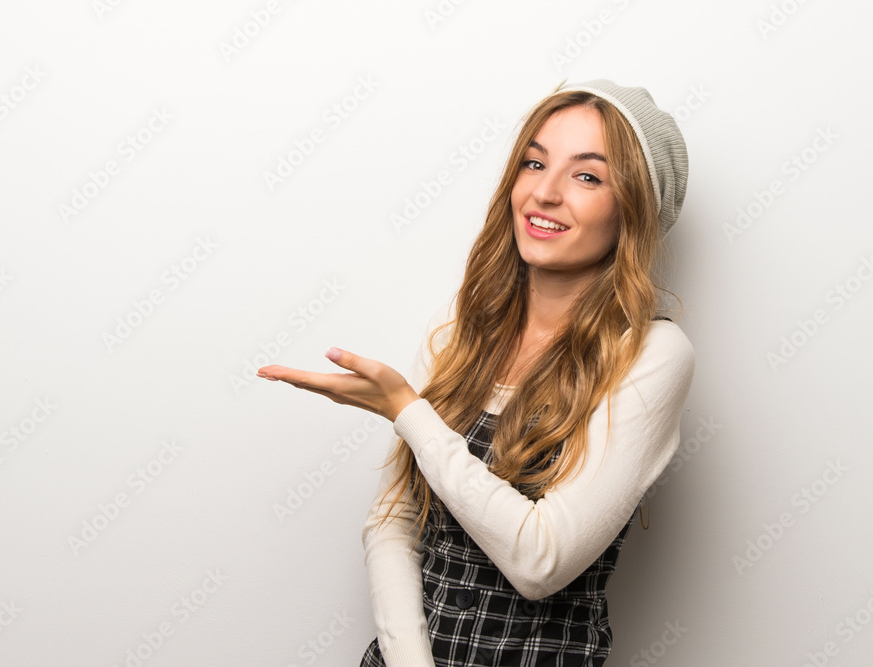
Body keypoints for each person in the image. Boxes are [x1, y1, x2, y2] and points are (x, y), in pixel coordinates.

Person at [257, 78, 694, 666]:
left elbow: (541, 562)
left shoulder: (652, 353)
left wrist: (408, 412)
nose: (545, 192)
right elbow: (393, 519)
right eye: (534, 163)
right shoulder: (461, 324)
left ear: (634, 209)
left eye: (588, 176)